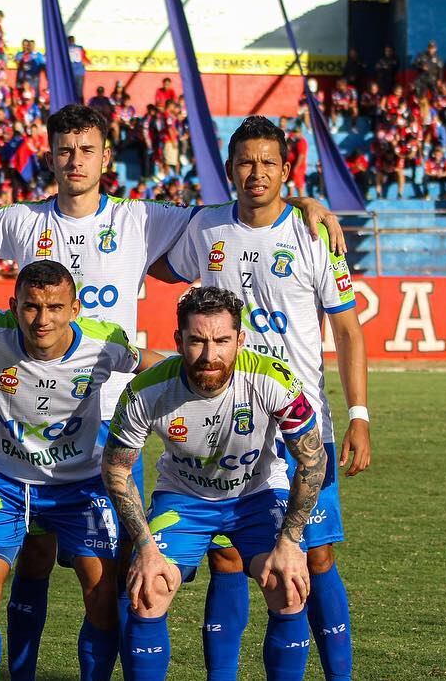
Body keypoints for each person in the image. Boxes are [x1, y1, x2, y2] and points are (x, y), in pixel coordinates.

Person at [0, 104, 343, 681]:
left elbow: (241, 210)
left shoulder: (142, 217)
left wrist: (300, 205)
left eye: (87, 150)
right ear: (51, 157)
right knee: (30, 563)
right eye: (65, 150)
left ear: (106, 157)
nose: (75, 161)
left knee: (119, 579)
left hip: (112, 433)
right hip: (18, 454)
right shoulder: (22, 222)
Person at [159, 115, 370, 681]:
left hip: (300, 425)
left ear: (286, 169)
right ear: (230, 169)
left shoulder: (314, 234)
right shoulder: (206, 228)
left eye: (268, 163)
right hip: (227, 422)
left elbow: (348, 331)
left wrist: (358, 414)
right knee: (227, 556)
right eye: (246, 162)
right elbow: (152, 264)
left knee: (314, 556)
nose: (257, 172)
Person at [101, 285, 329, 681]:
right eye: (197, 341)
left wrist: (290, 542)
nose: (210, 355)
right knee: (149, 590)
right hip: (184, 501)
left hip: (257, 496)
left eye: (222, 341)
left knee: (288, 584)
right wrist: (146, 548)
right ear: (179, 341)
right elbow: (116, 469)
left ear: (240, 340)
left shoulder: (272, 378)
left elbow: (312, 457)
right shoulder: (146, 390)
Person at [0, 261, 160, 681]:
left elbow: (153, 364)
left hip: (79, 488)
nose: (42, 319)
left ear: (75, 309)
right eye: (31, 307)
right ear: (14, 306)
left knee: (101, 596)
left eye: (55, 307)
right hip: (3, 484)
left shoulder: (104, 342)